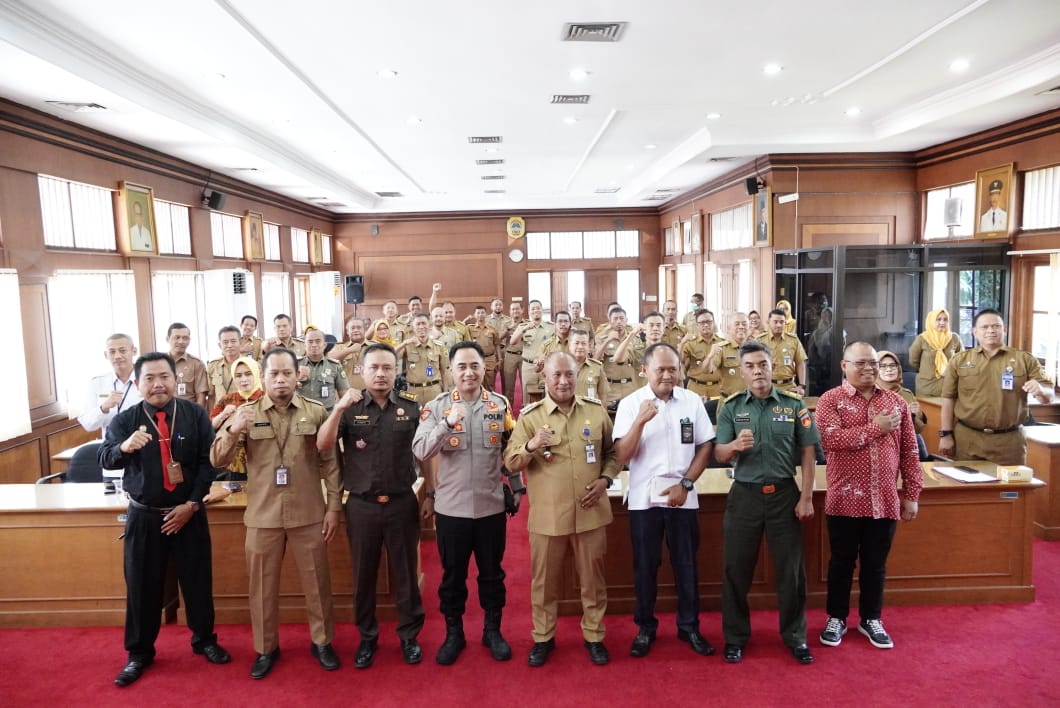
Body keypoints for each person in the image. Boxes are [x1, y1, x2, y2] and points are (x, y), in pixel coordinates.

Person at [210, 347, 343, 679]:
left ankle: (322, 642)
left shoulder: (314, 412)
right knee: (262, 587)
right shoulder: (244, 412)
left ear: (298, 375)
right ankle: (266, 648)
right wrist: (232, 428)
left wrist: (335, 507)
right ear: (264, 377)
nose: (281, 379)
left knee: (317, 582)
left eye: (287, 373)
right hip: (263, 516)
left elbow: (329, 463)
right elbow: (217, 461)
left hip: (309, 511)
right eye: (274, 374)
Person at [100, 352, 229, 686]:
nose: (158, 384)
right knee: (142, 587)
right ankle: (139, 652)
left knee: (198, 582)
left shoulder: (194, 415)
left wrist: (191, 503)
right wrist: (123, 448)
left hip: (189, 514)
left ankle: (205, 640)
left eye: (164, 377)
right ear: (139, 383)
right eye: (149, 379)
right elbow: (106, 457)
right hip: (145, 519)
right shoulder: (125, 420)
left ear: (176, 379)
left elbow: (209, 463)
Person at [504, 352, 619, 667]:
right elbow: (510, 461)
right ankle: (543, 637)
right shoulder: (530, 417)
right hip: (548, 517)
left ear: (577, 375)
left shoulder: (596, 413)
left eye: (569, 374)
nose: (564, 381)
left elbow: (613, 452)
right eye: (557, 375)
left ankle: (594, 636)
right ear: (545, 378)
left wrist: (606, 479)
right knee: (544, 583)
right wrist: (531, 445)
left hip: (590, 513)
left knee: (593, 581)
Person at [317, 343, 426, 669]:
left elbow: (425, 452)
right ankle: (368, 638)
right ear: (360, 371)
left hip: (401, 502)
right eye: (374, 368)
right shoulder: (349, 408)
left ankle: (409, 636)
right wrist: (337, 409)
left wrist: (429, 494)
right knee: (363, 575)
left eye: (387, 368)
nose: (380, 374)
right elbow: (323, 446)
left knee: (406, 573)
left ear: (396, 372)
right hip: (361, 506)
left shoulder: (411, 407)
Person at [413, 342, 520, 665]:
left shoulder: (499, 406)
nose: (469, 372)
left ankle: (492, 630)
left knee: (492, 575)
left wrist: (517, 489)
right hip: (452, 510)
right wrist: (446, 425)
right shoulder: (436, 407)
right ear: (450, 371)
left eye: (474, 365)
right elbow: (420, 451)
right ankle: (454, 633)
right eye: (461, 367)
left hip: (490, 508)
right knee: (452, 577)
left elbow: (510, 453)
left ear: (484, 368)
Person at [714, 340, 819, 665]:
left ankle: (795, 637)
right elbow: (718, 453)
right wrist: (733, 446)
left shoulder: (793, 405)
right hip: (744, 496)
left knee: (791, 572)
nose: (757, 371)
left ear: (773, 367)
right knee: (736, 570)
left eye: (763, 365)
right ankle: (735, 638)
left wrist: (806, 497)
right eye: (750, 366)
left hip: (784, 495)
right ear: (741, 371)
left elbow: (808, 452)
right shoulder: (731, 407)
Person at [815, 343, 922, 650]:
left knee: (876, 565)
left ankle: (870, 619)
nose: (869, 369)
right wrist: (876, 428)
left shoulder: (896, 402)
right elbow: (831, 440)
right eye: (860, 363)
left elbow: (910, 453)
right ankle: (836, 618)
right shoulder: (830, 401)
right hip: (844, 499)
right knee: (841, 563)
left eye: (873, 363)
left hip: (884, 498)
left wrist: (912, 493)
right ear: (843, 366)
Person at [613, 343, 716, 659]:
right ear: (645, 371)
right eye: (661, 369)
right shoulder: (631, 404)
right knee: (646, 566)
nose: (668, 375)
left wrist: (686, 484)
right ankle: (645, 628)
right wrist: (640, 422)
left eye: (673, 369)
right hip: (645, 500)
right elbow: (620, 456)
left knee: (686, 564)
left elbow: (705, 446)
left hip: (683, 495)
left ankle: (690, 627)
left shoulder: (692, 402)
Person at [939, 309, 1053, 465]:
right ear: (975, 332)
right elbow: (948, 398)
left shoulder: (1024, 359)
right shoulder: (959, 360)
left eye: (996, 326)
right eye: (985, 327)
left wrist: (1040, 389)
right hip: (968, 439)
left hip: (1009, 442)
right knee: (968, 487)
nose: (991, 330)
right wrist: (945, 434)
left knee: (1009, 489)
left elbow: (1048, 396)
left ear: (1004, 329)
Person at [208, 356, 263, 480]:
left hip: (263, 463)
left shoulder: (266, 399)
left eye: (248, 374)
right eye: (238, 376)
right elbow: (211, 425)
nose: (243, 379)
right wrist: (224, 415)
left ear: (256, 374)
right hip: (234, 463)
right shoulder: (227, 399)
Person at [78, 333, 143, 437]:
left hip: (143, 442)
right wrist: (103, 408)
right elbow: (88, 424)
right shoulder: (97, 383)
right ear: (105, 355)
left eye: (123, 350)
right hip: (111, 448)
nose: (117, 356)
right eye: (112, 352)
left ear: (134, 351)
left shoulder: (146, 379)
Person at [908, 308, 963, 397]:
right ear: (931, 321)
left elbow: (961, 359)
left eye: (945, 320)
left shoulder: (954, 338)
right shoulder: (922, 339)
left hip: (949, 386)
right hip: (927, 387)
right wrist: (926, 369)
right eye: (938, 319)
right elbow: (913, 361)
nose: (942, 322)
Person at [594, 307, 643, 406]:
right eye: (615, 319)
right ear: (609, 321)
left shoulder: (635, 339)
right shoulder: (602, 338)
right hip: (610, 389)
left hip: (630, 387)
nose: (619, 321)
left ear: (626, 321)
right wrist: (607, 340)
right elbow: (595, 360)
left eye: (621, 318)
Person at [400, 312, 450, 405]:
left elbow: (444, 372)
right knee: (413, 418)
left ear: (430, 325)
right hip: (413, 391)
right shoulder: (408, 346)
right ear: (413, 327)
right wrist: (404, 343)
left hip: (434, 390)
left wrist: (446, 392)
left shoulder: (439, 346)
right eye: (418, 324)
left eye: (423, 323)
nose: (421, 327)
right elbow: (392, 356)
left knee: (435, 418)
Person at [510, 299, 554, 404]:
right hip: (528, 366)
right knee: (527, 396)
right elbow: (513, 342)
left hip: (546, 366)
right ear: (529, 311)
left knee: (548, 394)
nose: (536, 311)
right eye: (533, 309)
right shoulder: (523, 327)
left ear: (542, 310)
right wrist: (524, 329)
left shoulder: (551, 327)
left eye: (538, 308)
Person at [756, 308, 808, 394]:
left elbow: (800, 363)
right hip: (766, 386)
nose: (779, 325)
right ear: (768, 322)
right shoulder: (759, 341)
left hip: (789, 386)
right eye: (775, 322)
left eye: (782, 322)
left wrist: (801, 386)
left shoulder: (793, 340)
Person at [296, 328, 350, 412]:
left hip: (327, 415)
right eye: (310, 342)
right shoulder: (295, 365)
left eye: (318, 341)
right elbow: (285, 392)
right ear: (304, 345)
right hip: (301, 414)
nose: (314, 345)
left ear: (324, 345)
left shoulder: (334, 366)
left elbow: (344, 395)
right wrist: (296, 378)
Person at [682, 308, 728, 404]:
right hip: (696, 388)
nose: (706, 325)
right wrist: (682, 343)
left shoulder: (723, 343)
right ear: (697, 325)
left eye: (709, 322)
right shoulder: (690, 343)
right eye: (702, 322)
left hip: (717, 389)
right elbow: (680, 360)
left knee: (715, 417)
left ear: (714, 323)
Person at [876, 350, 927, 434]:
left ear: (898, 368)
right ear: (876, 369)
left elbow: (917, 431)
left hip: (904, 443)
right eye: (883, 366)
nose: (889, 369)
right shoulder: (871, 394)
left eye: (892, 365)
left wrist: (918, 415)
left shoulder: (906, 394)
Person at [711, 312, 751, 400]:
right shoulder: (721, 348)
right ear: (728, 329)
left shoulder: (756, 349)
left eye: (744, 324)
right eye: (737, 324)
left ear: (749, 328)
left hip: (751, 401)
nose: (741, 327)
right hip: (729, 400)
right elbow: (710, 370)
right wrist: (711, 355)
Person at [166, 322, 208, 406]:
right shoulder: (159, 362)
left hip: (188, 412)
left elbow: (201, 395)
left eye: (185, 338)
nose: (181, 341)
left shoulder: (196, 363)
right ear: (167, 339)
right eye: (177, 337)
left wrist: (198, 416)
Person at [206, 326, 243, 411]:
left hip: (242, 414)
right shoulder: (213, 366)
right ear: (220, 345)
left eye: (233, 341)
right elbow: (211, 396)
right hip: (220, 416)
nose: (229, 345)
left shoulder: (251, 365)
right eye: (225, 342)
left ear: (240, 342)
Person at [466, 305, 501, 391]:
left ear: (486, 314)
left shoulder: (492, 329)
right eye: (478, 313)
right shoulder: (469, 328)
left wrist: (500, 359)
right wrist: (466, 319)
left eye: (482, 312)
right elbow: (459, 329)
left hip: (490, 359)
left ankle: (490, 403)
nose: (480, 315)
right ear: (474, 315)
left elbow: (497, 345)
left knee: (490, 384)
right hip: (476, 359)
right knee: (476, 383)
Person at [568, 329, 609, 401]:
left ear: (588, 346)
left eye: (583, 343)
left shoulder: (597, 368)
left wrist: (602, 412)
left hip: (590, 411)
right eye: (576, 343)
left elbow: (603, 396)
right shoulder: (560, 367)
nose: (580, 347)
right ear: (570, 345)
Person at [328, 316, 368, 391]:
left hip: (369, 395)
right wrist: (349, 350)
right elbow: (328, 359)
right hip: (346, 394)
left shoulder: (374, 347)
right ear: (347, 332)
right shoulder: (340, 347)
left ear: (364, 330)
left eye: (359, 327)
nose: (356, 330)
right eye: (352, 328)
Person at [502, 301, 527, 401]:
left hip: (524, 356)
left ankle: (526, 407)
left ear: (522, 310)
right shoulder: (506, 324)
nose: (515, 311)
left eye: (517, 309)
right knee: (509, 387)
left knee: (525, 385)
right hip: (510, 356)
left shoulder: (528, 324)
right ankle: (509, 411)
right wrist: (508, 329)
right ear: (510, 311)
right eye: (513, 309)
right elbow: (498, 338)